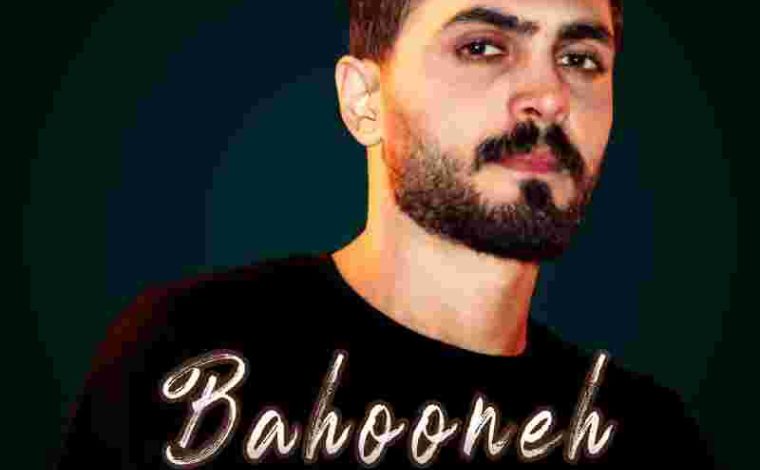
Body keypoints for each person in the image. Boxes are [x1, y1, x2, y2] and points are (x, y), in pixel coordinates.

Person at [55, 0, 714, 468]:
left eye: (579, 58)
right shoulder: (187, 363)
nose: (549, 96)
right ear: (363, 100)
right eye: (482, 47)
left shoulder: (646, 441)